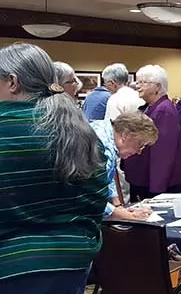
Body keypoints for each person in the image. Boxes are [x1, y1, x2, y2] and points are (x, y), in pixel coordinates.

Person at [0, 43, 107, 293]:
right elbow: (97, 196)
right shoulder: (80, 130)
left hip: (10, 265)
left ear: (13, 82)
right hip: (72, 261)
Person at [126, 64, 181, 200]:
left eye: (143, 82)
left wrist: (157, 191)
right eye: (138, 82)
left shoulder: (163, 111)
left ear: (157, 87)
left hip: (156, 185)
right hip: (144, 179)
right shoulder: (150, 107)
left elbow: (163, 153)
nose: (138, 86)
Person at [91, 112, 158, 220]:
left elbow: (106, 177)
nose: (139, 152)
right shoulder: (101, 147)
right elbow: (91, 197)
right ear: (125, 135)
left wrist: (117, 205)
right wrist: (130, 216)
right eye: (140, 144)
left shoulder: (105, 131)